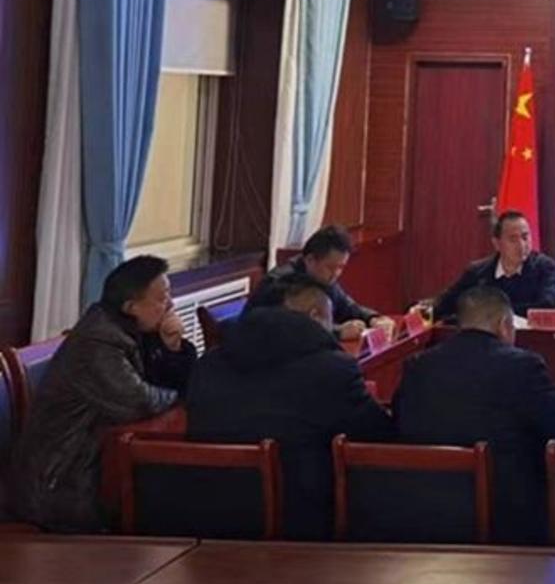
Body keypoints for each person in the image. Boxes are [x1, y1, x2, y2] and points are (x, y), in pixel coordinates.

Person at [185, 274, 393, 540]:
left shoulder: (208, 365)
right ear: (316, 317)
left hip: (206, 516)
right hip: (302, 524)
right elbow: (377, 437)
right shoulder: (332, 370)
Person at [9, 256, 196, 532]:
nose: (170, 305)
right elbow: (139, 401)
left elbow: (176, 382)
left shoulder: (134, 330)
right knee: (173, 505)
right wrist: (179, 396)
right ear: (130, 307)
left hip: (96, 465)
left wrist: (172, 347)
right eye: (161, 298)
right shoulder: (97, 342)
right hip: (59, 484)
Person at [393, 285, 555, 543]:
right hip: (507, 519)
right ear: (505, 325)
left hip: (424, 512)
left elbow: (398, 424)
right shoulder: (522, 366)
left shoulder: (419, 365)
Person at [250, 224, 388, 342]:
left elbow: (346, 306)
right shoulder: (280, 283)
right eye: (330, 267)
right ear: (310, 260)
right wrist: (337, 332)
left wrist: (373, 318)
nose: (336, 274)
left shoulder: (323, 278)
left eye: (341, 267)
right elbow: (290, 331)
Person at [431, 211, 555, 320]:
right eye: (513, 239)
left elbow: (548, 307)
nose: (522, 245)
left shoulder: (544, 268)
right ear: (497, 244)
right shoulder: (477, 272)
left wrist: (491, 314)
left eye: (525, 237)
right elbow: (446, 304)